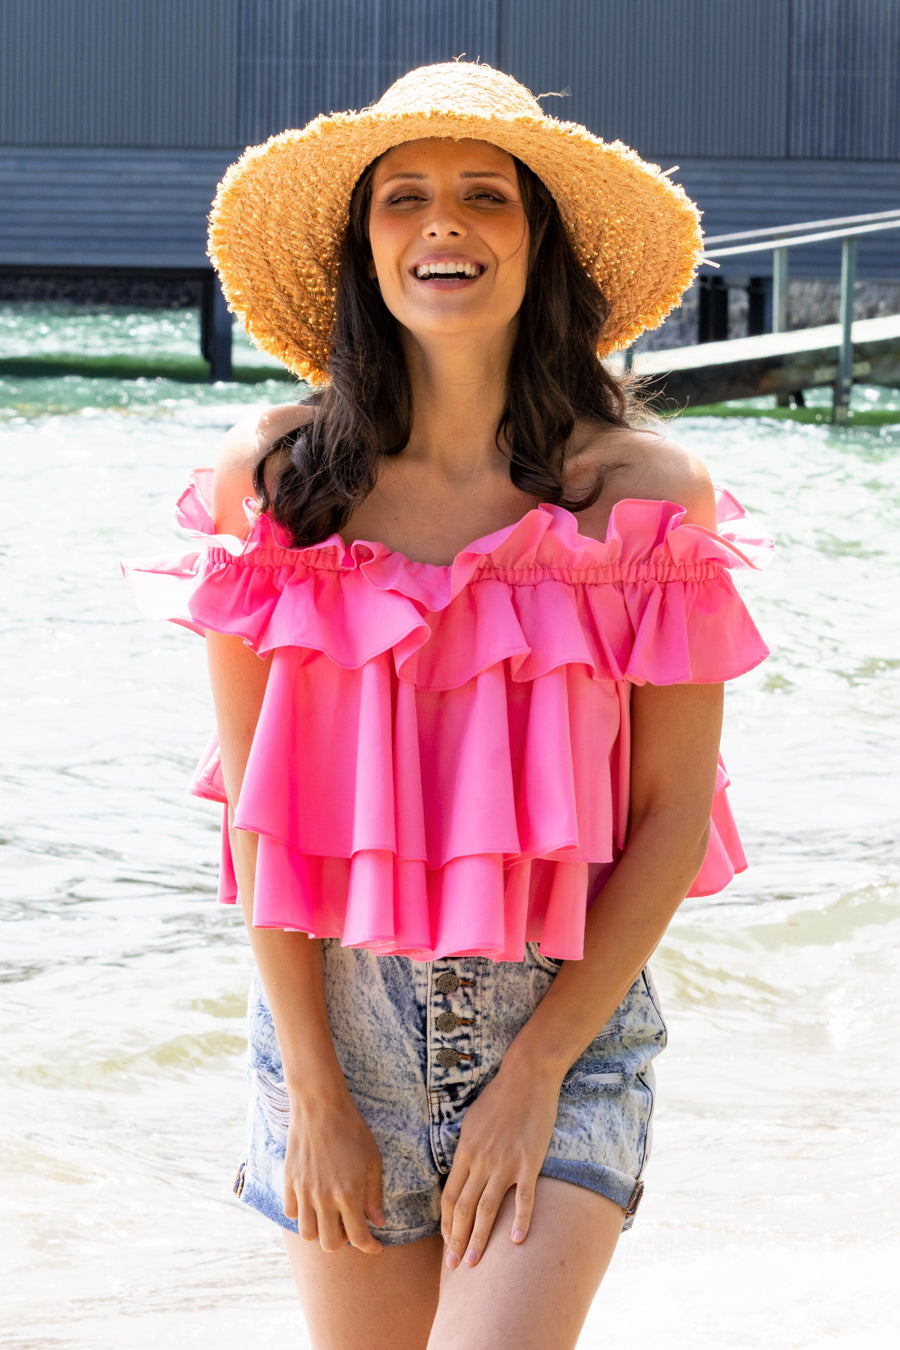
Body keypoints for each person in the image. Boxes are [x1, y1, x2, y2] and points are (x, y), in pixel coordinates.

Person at [126, 62, 769, 1350]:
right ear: (364, 250)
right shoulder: (277, 486)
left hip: (565, 1026)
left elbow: (670, 815)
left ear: (540, 243)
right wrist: (313, 1088)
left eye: (488, 196)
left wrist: (534, 1074)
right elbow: (258, 822)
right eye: (403, 198)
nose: (444, 225)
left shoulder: (641, 499)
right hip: (335, 1038)